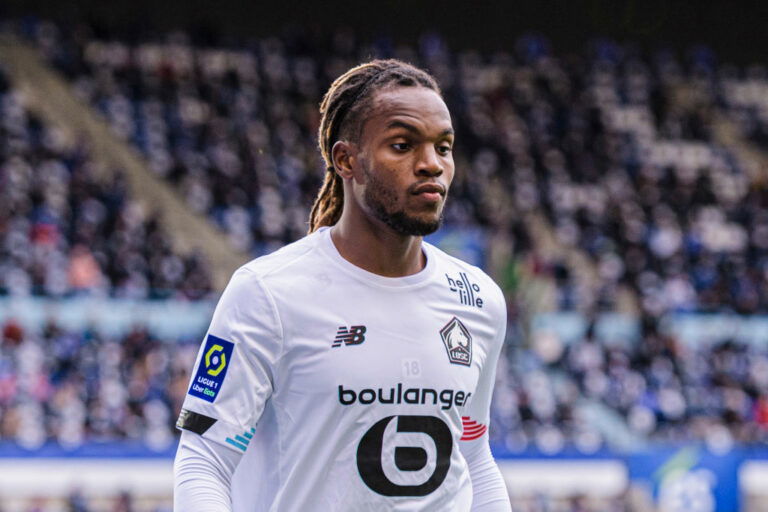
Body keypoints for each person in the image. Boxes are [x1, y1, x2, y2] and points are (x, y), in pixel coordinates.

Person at [174, 59, 512, 511]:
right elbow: (204, 460)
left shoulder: (479, 299)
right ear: (346, 159)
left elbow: (473, 455)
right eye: (402, 144)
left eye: (444, 147)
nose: (431, 164)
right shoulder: (268, 292)